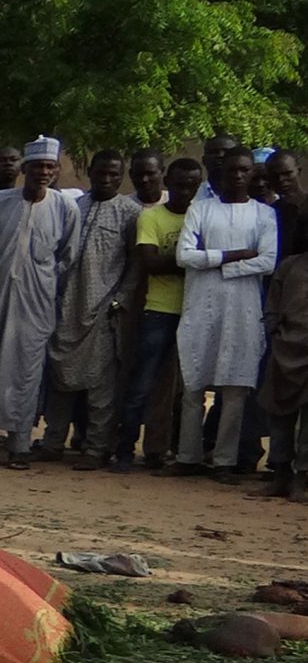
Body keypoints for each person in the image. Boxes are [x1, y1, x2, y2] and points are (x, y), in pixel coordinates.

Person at [0, 137, 82, 469]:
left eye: (49, 166)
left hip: (36, 302)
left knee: (26, 372)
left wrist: (39, 280)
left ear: (56, 170)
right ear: (24, 169)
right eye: (37, 167)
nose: (43, 172)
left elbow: (67, 257)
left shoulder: (65, 207)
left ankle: (19, 444)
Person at [172, 149, 280, 479]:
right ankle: (187, 457)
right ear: (221, 173)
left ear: (252, 174)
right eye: (231, 169)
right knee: (193, 384)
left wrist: (219, 267)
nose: (237, 175)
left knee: (235, 390)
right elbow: (183, 256)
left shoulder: (264, 215)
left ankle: (224, 461)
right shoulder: (201, 208)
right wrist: (234, 256)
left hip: (243, 310)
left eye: (244, 170)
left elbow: (267, 261)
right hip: (200, 307)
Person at [43, 149, 145, 467]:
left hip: (103, 308)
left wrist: (121, 299)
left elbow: (135, 264)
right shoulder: (74, 207)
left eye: (114, 174)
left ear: (121, 176)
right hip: (67, 306)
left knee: (101, 383)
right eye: (101, 172)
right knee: (60, 377)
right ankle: (52, 442)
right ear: (90, 172)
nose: (106, 178)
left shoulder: (130, 213)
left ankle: (96, 448)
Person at [115, 156, 199, 472]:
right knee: (141, 384)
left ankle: (160, 451)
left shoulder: (202, 215)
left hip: (194, 312)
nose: (185, 191)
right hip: (158, 311)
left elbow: (165, 261)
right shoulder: (151, 218)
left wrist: (180, 261)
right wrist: (197, 260)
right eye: (179, 184)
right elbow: (150, 264)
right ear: (167, 182)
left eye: (192, 185)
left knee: (180, 391)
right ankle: (124, 450)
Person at [257, 247, 308, 501]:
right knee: (278, 415)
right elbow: (273, 304)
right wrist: (274, 331)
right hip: (285, 348)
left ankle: (302, 478)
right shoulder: (289, 265)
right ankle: (280, 474)